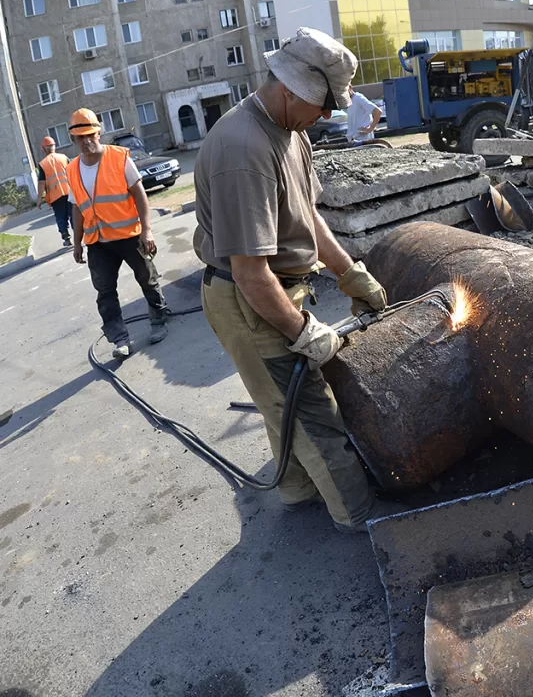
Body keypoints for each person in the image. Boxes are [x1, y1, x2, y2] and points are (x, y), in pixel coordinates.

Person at [192, 28, 399, 533]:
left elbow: (308, 215)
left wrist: (350, 273)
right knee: (311, 413)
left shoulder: (291, 132)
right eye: (323, 103)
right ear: (291, 89)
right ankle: (362, 520)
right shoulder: (244, 149)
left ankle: (297, 491)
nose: (327, 115)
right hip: (248, 298)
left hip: (274, 287)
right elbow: (250, 273)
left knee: (279, 402)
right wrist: (305, 332)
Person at [68, 108, 168, 359]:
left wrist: (147, 230)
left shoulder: (119, 158)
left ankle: (158, 320)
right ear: (73, 140)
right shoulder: (72, 169)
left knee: (147, 278)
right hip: (98, 243)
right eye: (81, 137)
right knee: (105, 291)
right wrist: (77, 241)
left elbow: (139, 194)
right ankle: (120, 339)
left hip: (129, 235)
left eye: (90, 135)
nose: (86, 141)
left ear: (99, 133)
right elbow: (77, 208)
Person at [36, 136, 74, 247]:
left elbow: (42, 182)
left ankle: (66, 237)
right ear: (54, 147)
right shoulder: (63, 158)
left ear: (44, 149)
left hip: (55, 196)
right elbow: (72, 173)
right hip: (69, 192)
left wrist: (39, 198)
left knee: (60, 216)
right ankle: (79, 235)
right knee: (74, 214)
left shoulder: (43, 164)